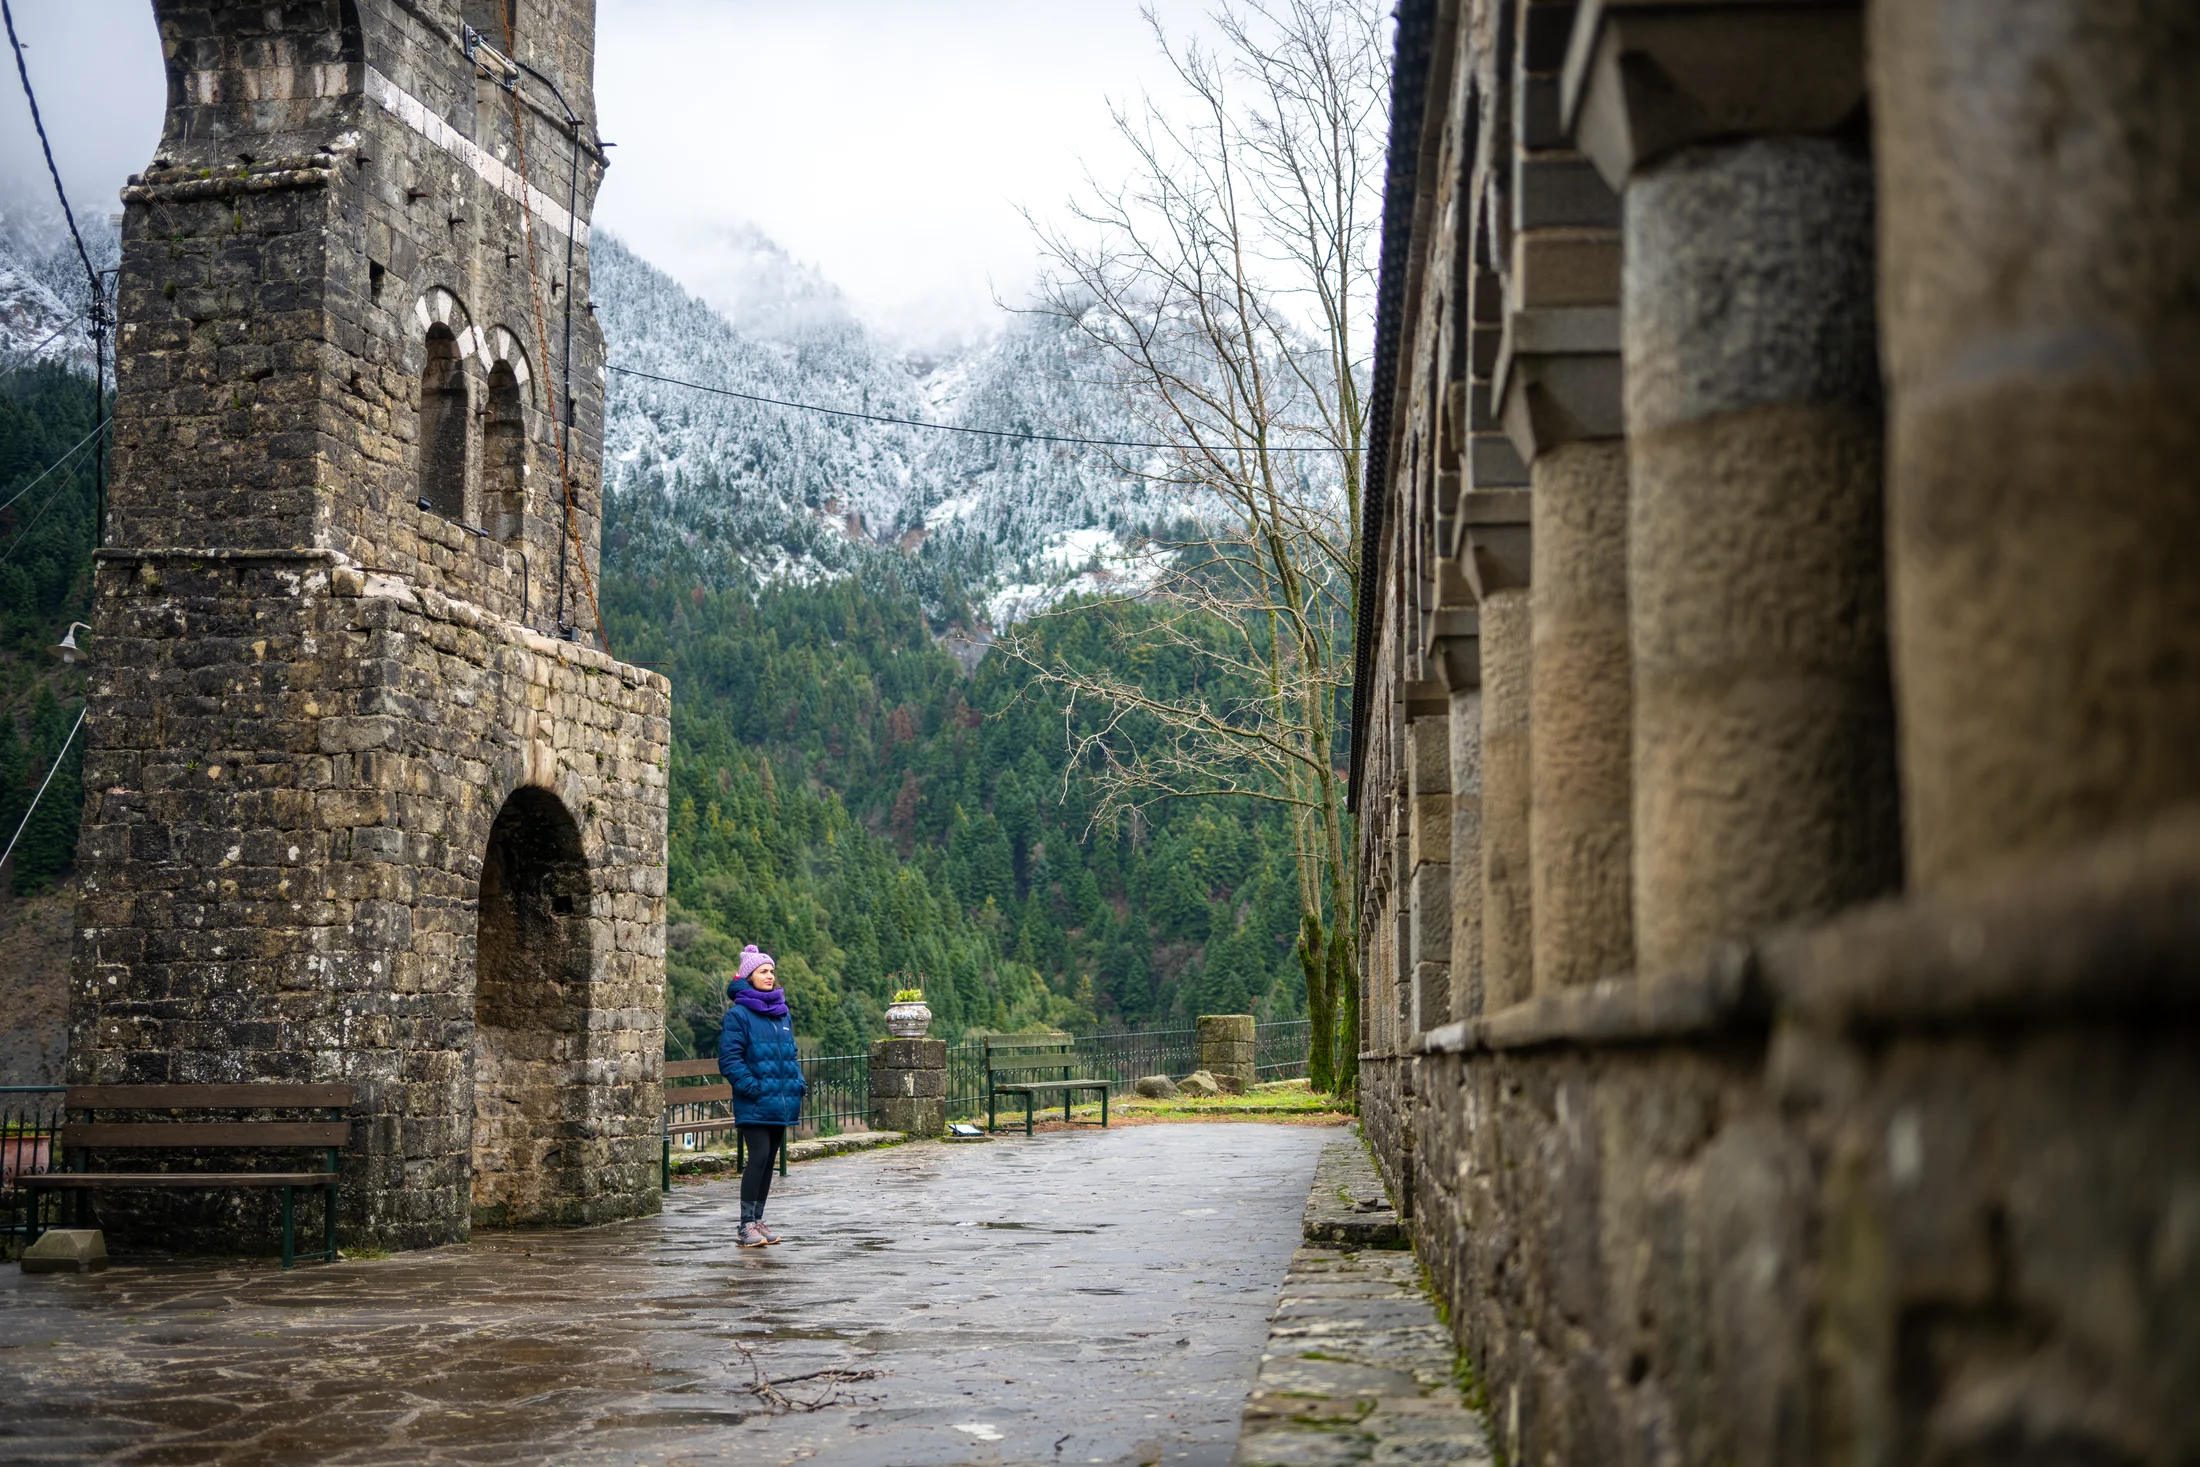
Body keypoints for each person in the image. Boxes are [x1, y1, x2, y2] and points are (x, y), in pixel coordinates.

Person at [718, 944, 805, 1246]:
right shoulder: (738, 1016)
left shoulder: (781, 1015)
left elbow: (791, 1055)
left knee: (769, 1161)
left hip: (780, 1100)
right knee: (757, 1158)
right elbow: (730, 1060)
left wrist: (799, 1082)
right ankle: (745, 1226)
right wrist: (752, 1088)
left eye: (771, 971)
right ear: (748, 976)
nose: (769, 976)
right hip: (755, 1102)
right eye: (763, 972)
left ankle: (758, 1220)